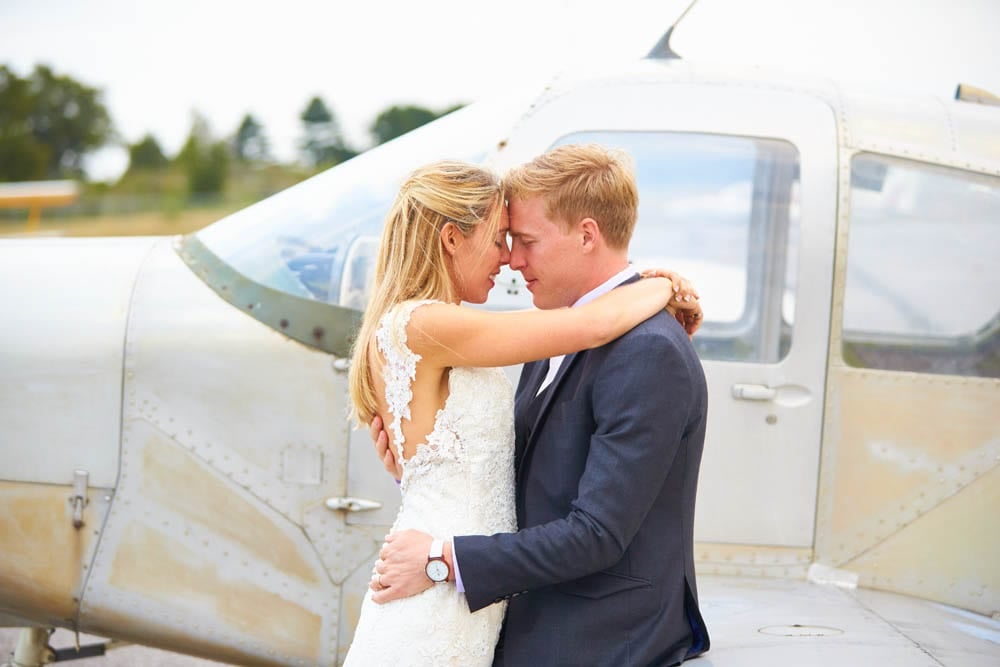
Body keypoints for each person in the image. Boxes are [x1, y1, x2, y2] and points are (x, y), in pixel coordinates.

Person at [343, 157, 702, 666]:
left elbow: (594, 530)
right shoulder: (440, 325)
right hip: (451, 597)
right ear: (450, 239)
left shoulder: (645, 350)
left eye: (523, 240)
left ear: (585, 235)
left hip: (581, 633)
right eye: (500, 239)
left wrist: (436, 531)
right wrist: (664, 284)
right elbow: (595, 327)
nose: (510, 259)